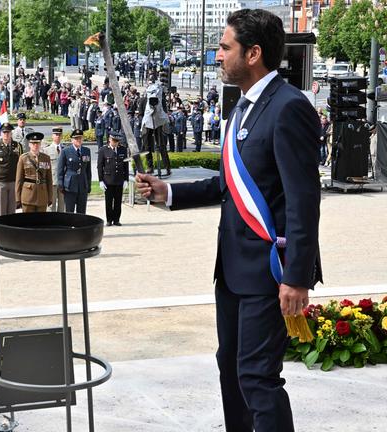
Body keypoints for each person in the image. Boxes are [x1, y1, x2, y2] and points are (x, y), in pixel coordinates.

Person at [136, 9, 322, 431]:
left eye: (224, 47)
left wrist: (297, 278)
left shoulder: (288, 107)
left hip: (269, 272)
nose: (217, 56)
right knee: (232, 370)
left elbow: (303, 201)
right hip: (234, 270)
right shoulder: (243, 107)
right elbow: (231, 182)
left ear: (253, 53)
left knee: (258, 378)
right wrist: (171, 192)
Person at [0, 123, 23, 216]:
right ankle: (2, 230)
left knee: (12, 209)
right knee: (1, 210)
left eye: (8, 132)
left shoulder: (18, 146)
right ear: (1, 133)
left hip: (14, 182)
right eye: (4, 132)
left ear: (11, 133)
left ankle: (10, 229)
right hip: (0, 182)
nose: (6, 134)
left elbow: (21, 165)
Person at [15, 132, 53, 212]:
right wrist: (18, 198)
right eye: (33, 143)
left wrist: (50, 197)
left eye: (37, 143)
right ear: (29, 144)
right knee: (28, 222)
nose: (35, 145)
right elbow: (19, 179)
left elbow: (49, 179)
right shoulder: (23, 158)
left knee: (41, 223)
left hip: (42, 195)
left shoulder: (46, 158)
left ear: (40, 144)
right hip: (28, 195)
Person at [97, 133, 129, 226]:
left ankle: (116, 220)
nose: (116, 143)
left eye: (117, 141)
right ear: (109, 139)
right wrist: (101, 180)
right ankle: (109, 220)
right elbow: (100, 166)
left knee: (118, 201)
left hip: (119, 180)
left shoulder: (122, 149)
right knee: (109, 201)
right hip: (108, 180)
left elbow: (125, 165)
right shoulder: (103, 150)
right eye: (114, 141)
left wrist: (126, 179)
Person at [57, 129, 92, 214]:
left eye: (80, 138)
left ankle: (80, 227)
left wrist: (88, 184)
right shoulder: (66, 151)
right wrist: (61, 185)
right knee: (69, 211)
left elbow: (88, 170)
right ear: (72, 140)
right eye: (76, 138)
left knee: (82, 211)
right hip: (70, 185)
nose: (78, 140)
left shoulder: (86, 150)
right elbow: (60, 169)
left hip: (82, 185)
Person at [41, 127, 65, 212]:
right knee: (51, 205)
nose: (58, 136)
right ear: (52, 136)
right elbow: (43, 168)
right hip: (52, 181)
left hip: (63, 182)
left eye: (59, 135)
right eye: (56, 134)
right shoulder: (46, 150)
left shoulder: (65, 149)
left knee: (62, 205)